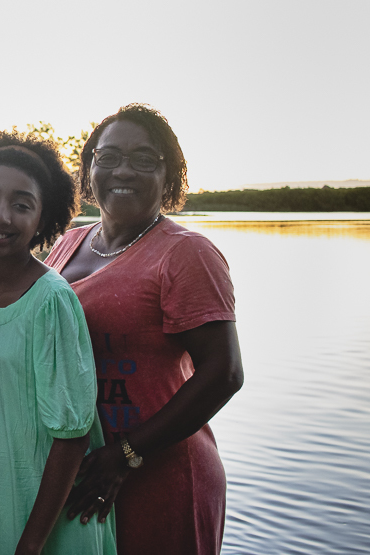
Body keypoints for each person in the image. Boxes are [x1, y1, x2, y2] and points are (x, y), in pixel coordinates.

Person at [44, 103, 244, 554]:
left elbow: (225, 373)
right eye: (109, 156)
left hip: (160, 475)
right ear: (89, 166)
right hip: (81, 473)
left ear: (168, 174)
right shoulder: (68, 243)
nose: (124, 171)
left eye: (143, 159)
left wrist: (127, 454)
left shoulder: (186, 254)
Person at [0, 132, 117, 555]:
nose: (1, 216)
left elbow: (72, 436)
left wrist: (31, 544)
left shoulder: (52, 300)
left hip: (42, 526)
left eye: (21, 205)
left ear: (43, 219)